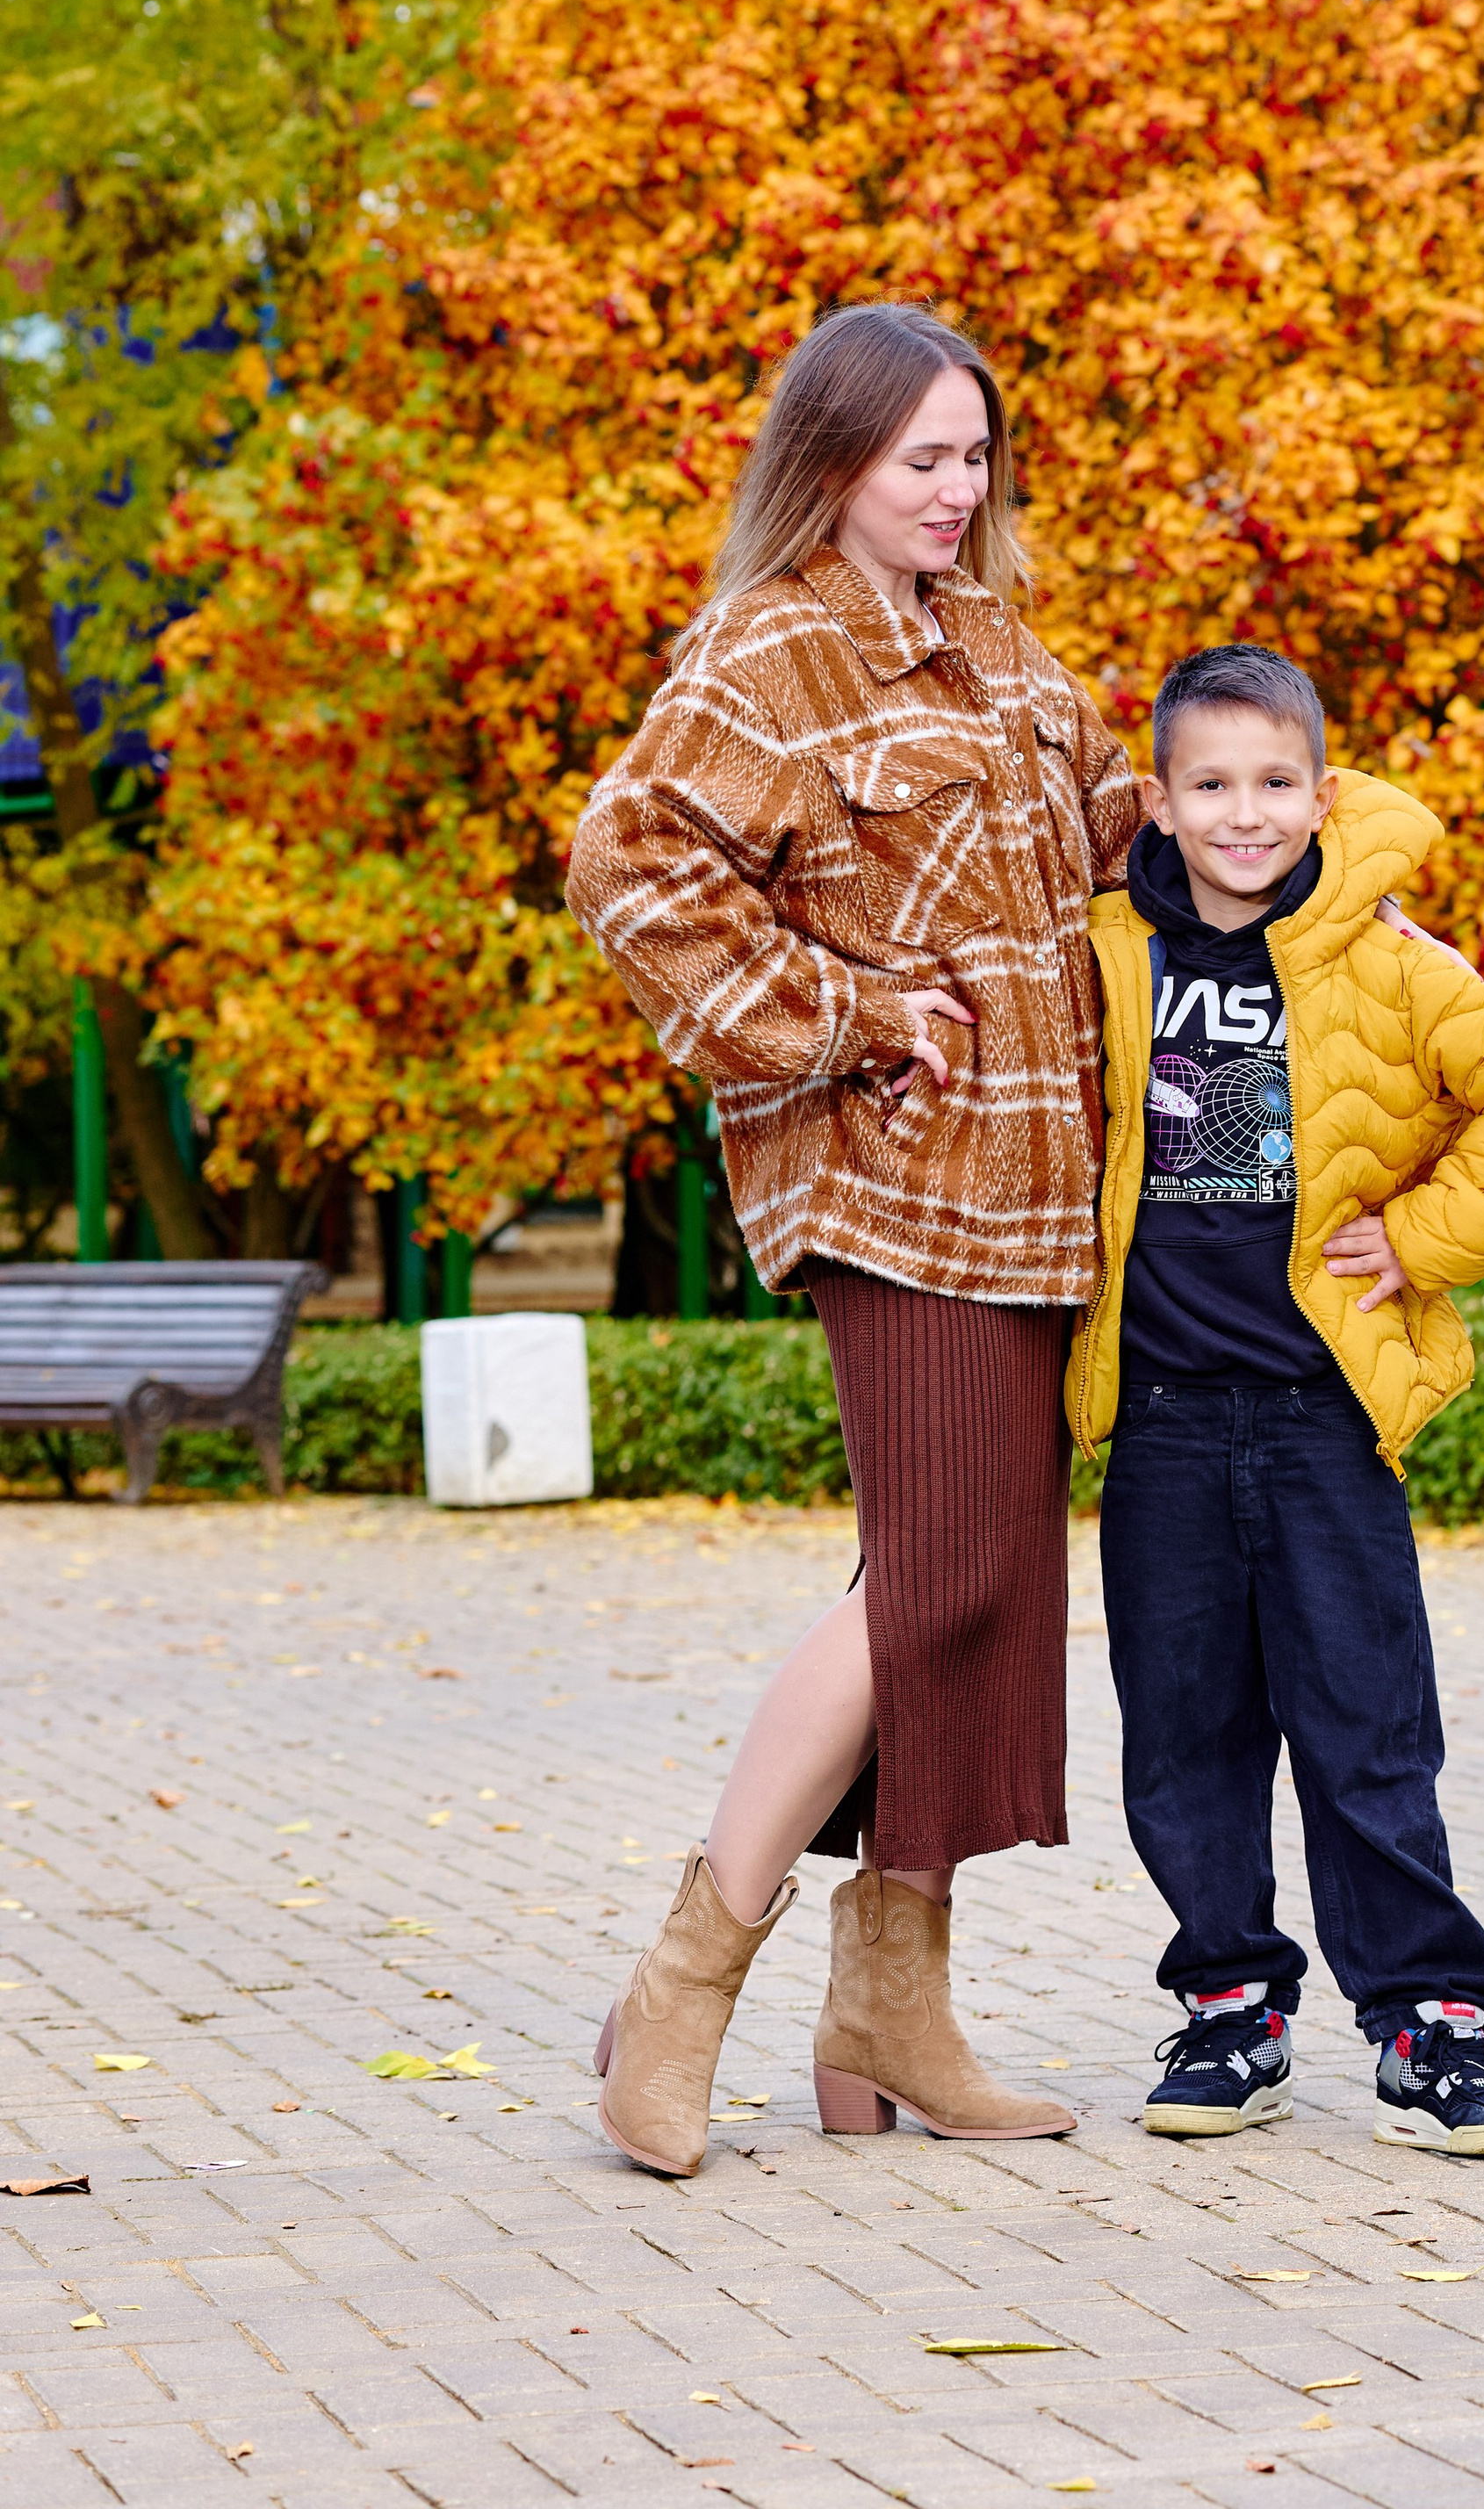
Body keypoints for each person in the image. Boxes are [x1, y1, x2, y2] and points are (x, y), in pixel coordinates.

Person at [564, 302, 1138, 2173]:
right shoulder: (772, 649)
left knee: (967, 1597)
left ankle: (886, 2010)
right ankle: (682, 1984)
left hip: (1044, 1200)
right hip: (896, 1188)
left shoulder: (1009, 662)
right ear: (833, 465)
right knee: (933, 1589)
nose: (957, 489)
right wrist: (847, 1020)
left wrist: (1258, 817)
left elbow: (1099, 856)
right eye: (922, 459)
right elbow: (628, 862)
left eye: (975, 456)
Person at [1063, 644, 1484, 2157]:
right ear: (1161, 802)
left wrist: (1425, 1240)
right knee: (1184, 1740)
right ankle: (1231, 2010)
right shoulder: (1101, 949)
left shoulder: (1383, 952)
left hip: (1320, 1421)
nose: (1248, 815)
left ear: (1321, 788)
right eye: (1212, 785)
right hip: (1164, 1416)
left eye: (1277, 783)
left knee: (1368, 1732)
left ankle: (1432, 2028)